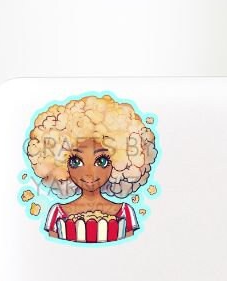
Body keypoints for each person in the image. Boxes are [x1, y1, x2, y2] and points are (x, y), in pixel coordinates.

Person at [25, 94, 158, 244]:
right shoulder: (57, 214)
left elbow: (132, 252)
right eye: (76, 162)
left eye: (101, 161)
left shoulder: (125, 213)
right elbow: (52, 254)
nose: (89, 173)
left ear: (121, 164)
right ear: (59, 166)